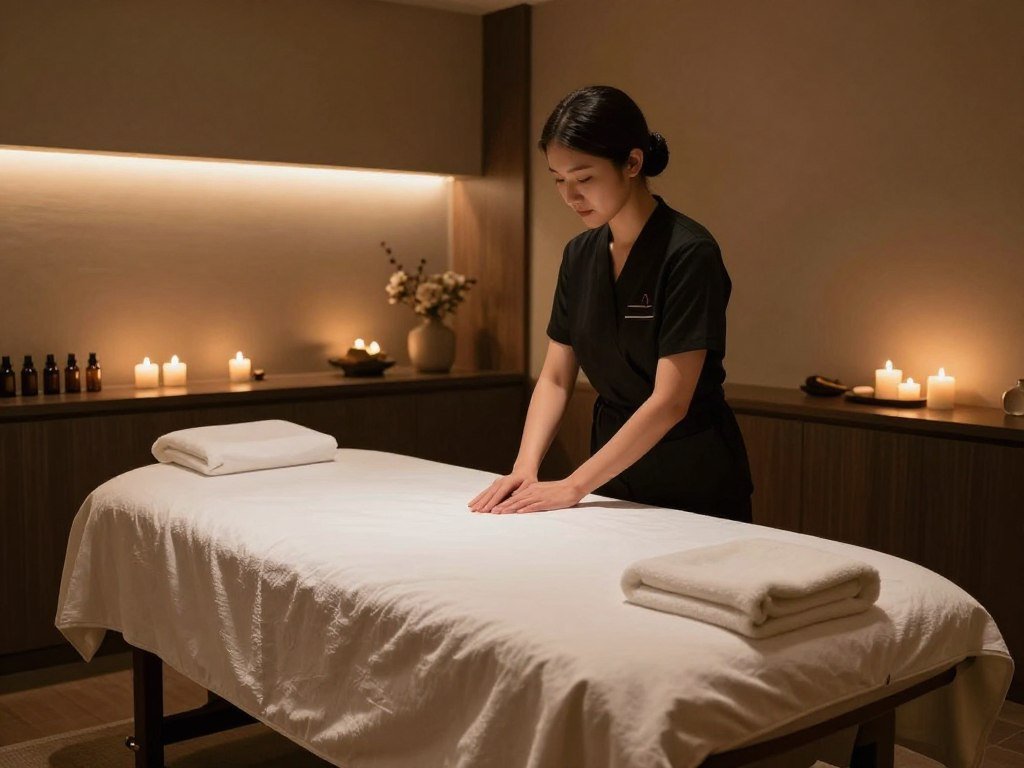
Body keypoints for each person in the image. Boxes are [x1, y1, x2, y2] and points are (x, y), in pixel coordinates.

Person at [468, 85, 754, 522]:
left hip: (691, 476)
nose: (570, 196)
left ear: (632, 164)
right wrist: (525, 468)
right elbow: (557, 377)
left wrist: (574, 484)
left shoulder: (688, 252)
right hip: (611, 475)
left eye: (584, 178)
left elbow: (670, 401)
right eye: (559, 180)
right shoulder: (579, 255)